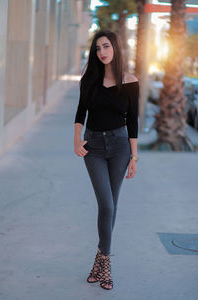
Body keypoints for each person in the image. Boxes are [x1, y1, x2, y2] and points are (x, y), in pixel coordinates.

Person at [74, 29, 139, 290]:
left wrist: (134, 156)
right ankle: (106, 265)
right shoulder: (89, 79)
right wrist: (76, 140)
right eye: (98, 48)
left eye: (106, 46)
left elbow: (132, 121)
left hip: (120, 147)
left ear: (115, 48)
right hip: (94, 148)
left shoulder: (130, 81)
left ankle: (99, 262)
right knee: (107, 205)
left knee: (111, 205)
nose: (102, 52)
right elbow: (80, 112)